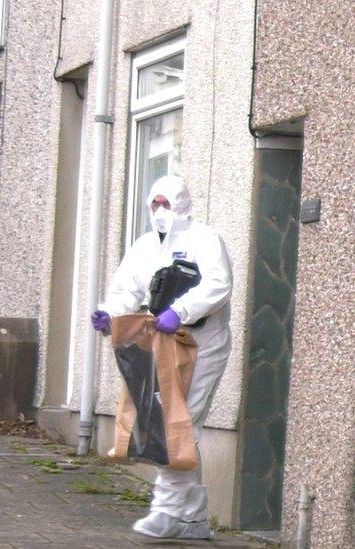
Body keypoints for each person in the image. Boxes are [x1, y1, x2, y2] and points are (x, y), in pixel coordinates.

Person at [90, 175, 233, 540]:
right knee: (167, 424)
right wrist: (110, 313)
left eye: (166, 204)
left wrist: (181, 310)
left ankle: (168, 510)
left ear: (182, 204)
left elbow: (218, 284)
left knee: (178, 426)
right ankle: (194, 517)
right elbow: (126, 287)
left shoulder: (205, 239)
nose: (160, 211)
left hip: (201, 343)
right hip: (161, 344)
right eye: (154, 204)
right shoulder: (144, 247)